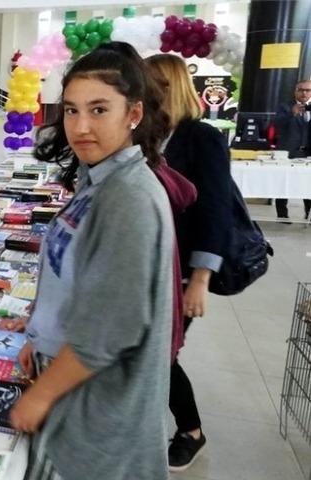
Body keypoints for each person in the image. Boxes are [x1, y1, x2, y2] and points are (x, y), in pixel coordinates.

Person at [9, 42, 173, 480]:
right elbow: (77, 277)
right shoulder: (97, 180)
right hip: (69, 385)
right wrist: (39, 335)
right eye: (71, 110)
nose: (80, 126)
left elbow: (113, 327)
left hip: (98, 411)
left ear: (133, 114)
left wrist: (41, 395)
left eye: (99, 110)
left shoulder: (128, 197)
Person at [146, 53, 233, 472]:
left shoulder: (200, 137)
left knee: (161, 353)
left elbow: (216, 211)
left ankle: (191, 431)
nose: (148, 93)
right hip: (148, 265)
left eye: (156, 85)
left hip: (181, 270)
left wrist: (200, 278)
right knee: (149, 349)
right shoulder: (146, 136)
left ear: (174, 87)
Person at [273, 79, 311, 220]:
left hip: (307, 152)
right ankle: (282, 215)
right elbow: (276, 124)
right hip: (288, 152)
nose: (304, 93)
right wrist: (291, 113)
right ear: (295, 91)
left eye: (308, 90)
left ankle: (308, 213)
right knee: (284, 182)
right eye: (301, 90)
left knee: (308, 183)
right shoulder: (284, 107)